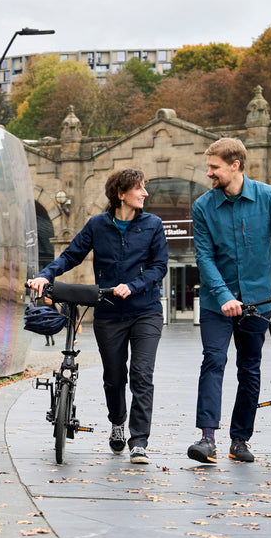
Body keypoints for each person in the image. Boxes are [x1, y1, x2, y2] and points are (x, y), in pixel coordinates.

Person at [188, 138, 271, 465]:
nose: (209, 173)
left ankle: (239, 439)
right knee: (214, 360)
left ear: (235, 165)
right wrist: (224, 297)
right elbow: (204, 258)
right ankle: (207, 438)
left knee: (249, 370)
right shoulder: (203, 206)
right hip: (217, 304)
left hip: (257, 302)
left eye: (214, 167)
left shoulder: (268, 197)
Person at [27, 168, 168, 465]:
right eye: (139, 188)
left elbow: (159, 267)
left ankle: (139, 442)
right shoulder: (97, 225)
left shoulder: (153, 225)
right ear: (120, 194)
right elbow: (70, 255)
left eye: (144, 188)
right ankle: (117, 422)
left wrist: (133, 285)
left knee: (142, 375)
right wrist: (44, 276)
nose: (145, 193)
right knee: (114, 377)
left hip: (146, 311)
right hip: (109, 313)